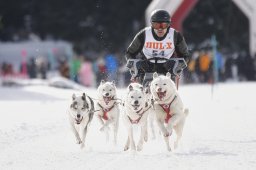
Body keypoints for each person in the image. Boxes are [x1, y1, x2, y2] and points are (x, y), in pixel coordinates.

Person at [125, 9, 190, 84]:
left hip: (167, 66)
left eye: (164, 25)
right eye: (156, 25)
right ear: (152, 25)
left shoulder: (176, 36)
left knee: (172, 70)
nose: (160, 28)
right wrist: (133, 64)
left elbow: (185, 55)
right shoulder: (144, 34)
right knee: (140, 69)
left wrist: (179, 65)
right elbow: (129, 52)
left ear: (168, 25)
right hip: (146, 65)